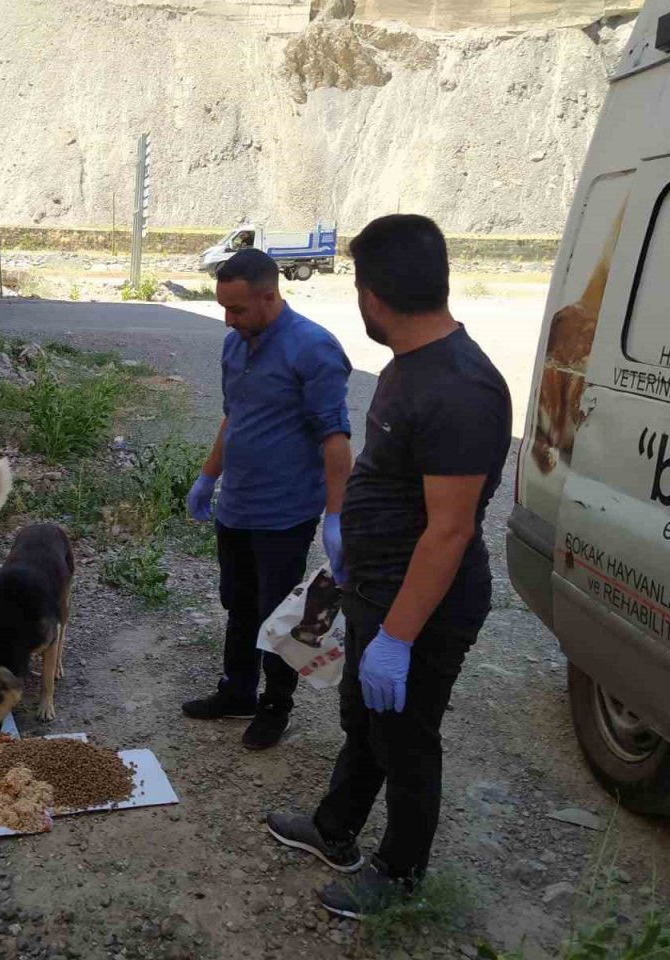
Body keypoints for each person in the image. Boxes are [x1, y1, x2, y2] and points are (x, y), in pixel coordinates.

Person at [265, 215, 512, 918]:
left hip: (425, 604)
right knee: (364, 719)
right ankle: (334, 829)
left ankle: (400, 875)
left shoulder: (462, 389)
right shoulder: (410, 365)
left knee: (406, 739)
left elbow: (451, 531)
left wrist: (399, 638)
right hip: (376, 589)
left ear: (372, 296)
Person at [183, 248, 353, 750]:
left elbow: (335, 439)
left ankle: (276, 705)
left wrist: (336, 515)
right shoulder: (236, 346)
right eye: (223, 308)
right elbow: (234, 417)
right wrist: (207, 477)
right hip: (236, 508)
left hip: (284, 515)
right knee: (237, 604)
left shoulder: (313, 349)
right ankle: (237, 692)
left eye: (237, 309)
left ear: (269, 295)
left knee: (278, 617)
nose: (228, 319)